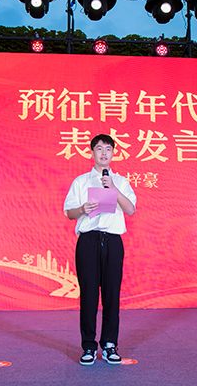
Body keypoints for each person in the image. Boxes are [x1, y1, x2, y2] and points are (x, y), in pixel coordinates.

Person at [63, 134, 136, 366]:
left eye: (108, 149)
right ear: (92, 152)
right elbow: (69, 213)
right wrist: (83, 209)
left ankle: (109, 345)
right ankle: (88, 346)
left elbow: (131, 209)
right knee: (89, 295)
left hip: (113, 241)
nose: (104, 153)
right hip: (88, 241)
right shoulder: (81, 181)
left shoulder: (121, 181)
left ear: (113, 153)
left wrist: (113, 189)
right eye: (99, 148)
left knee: (112, 294)